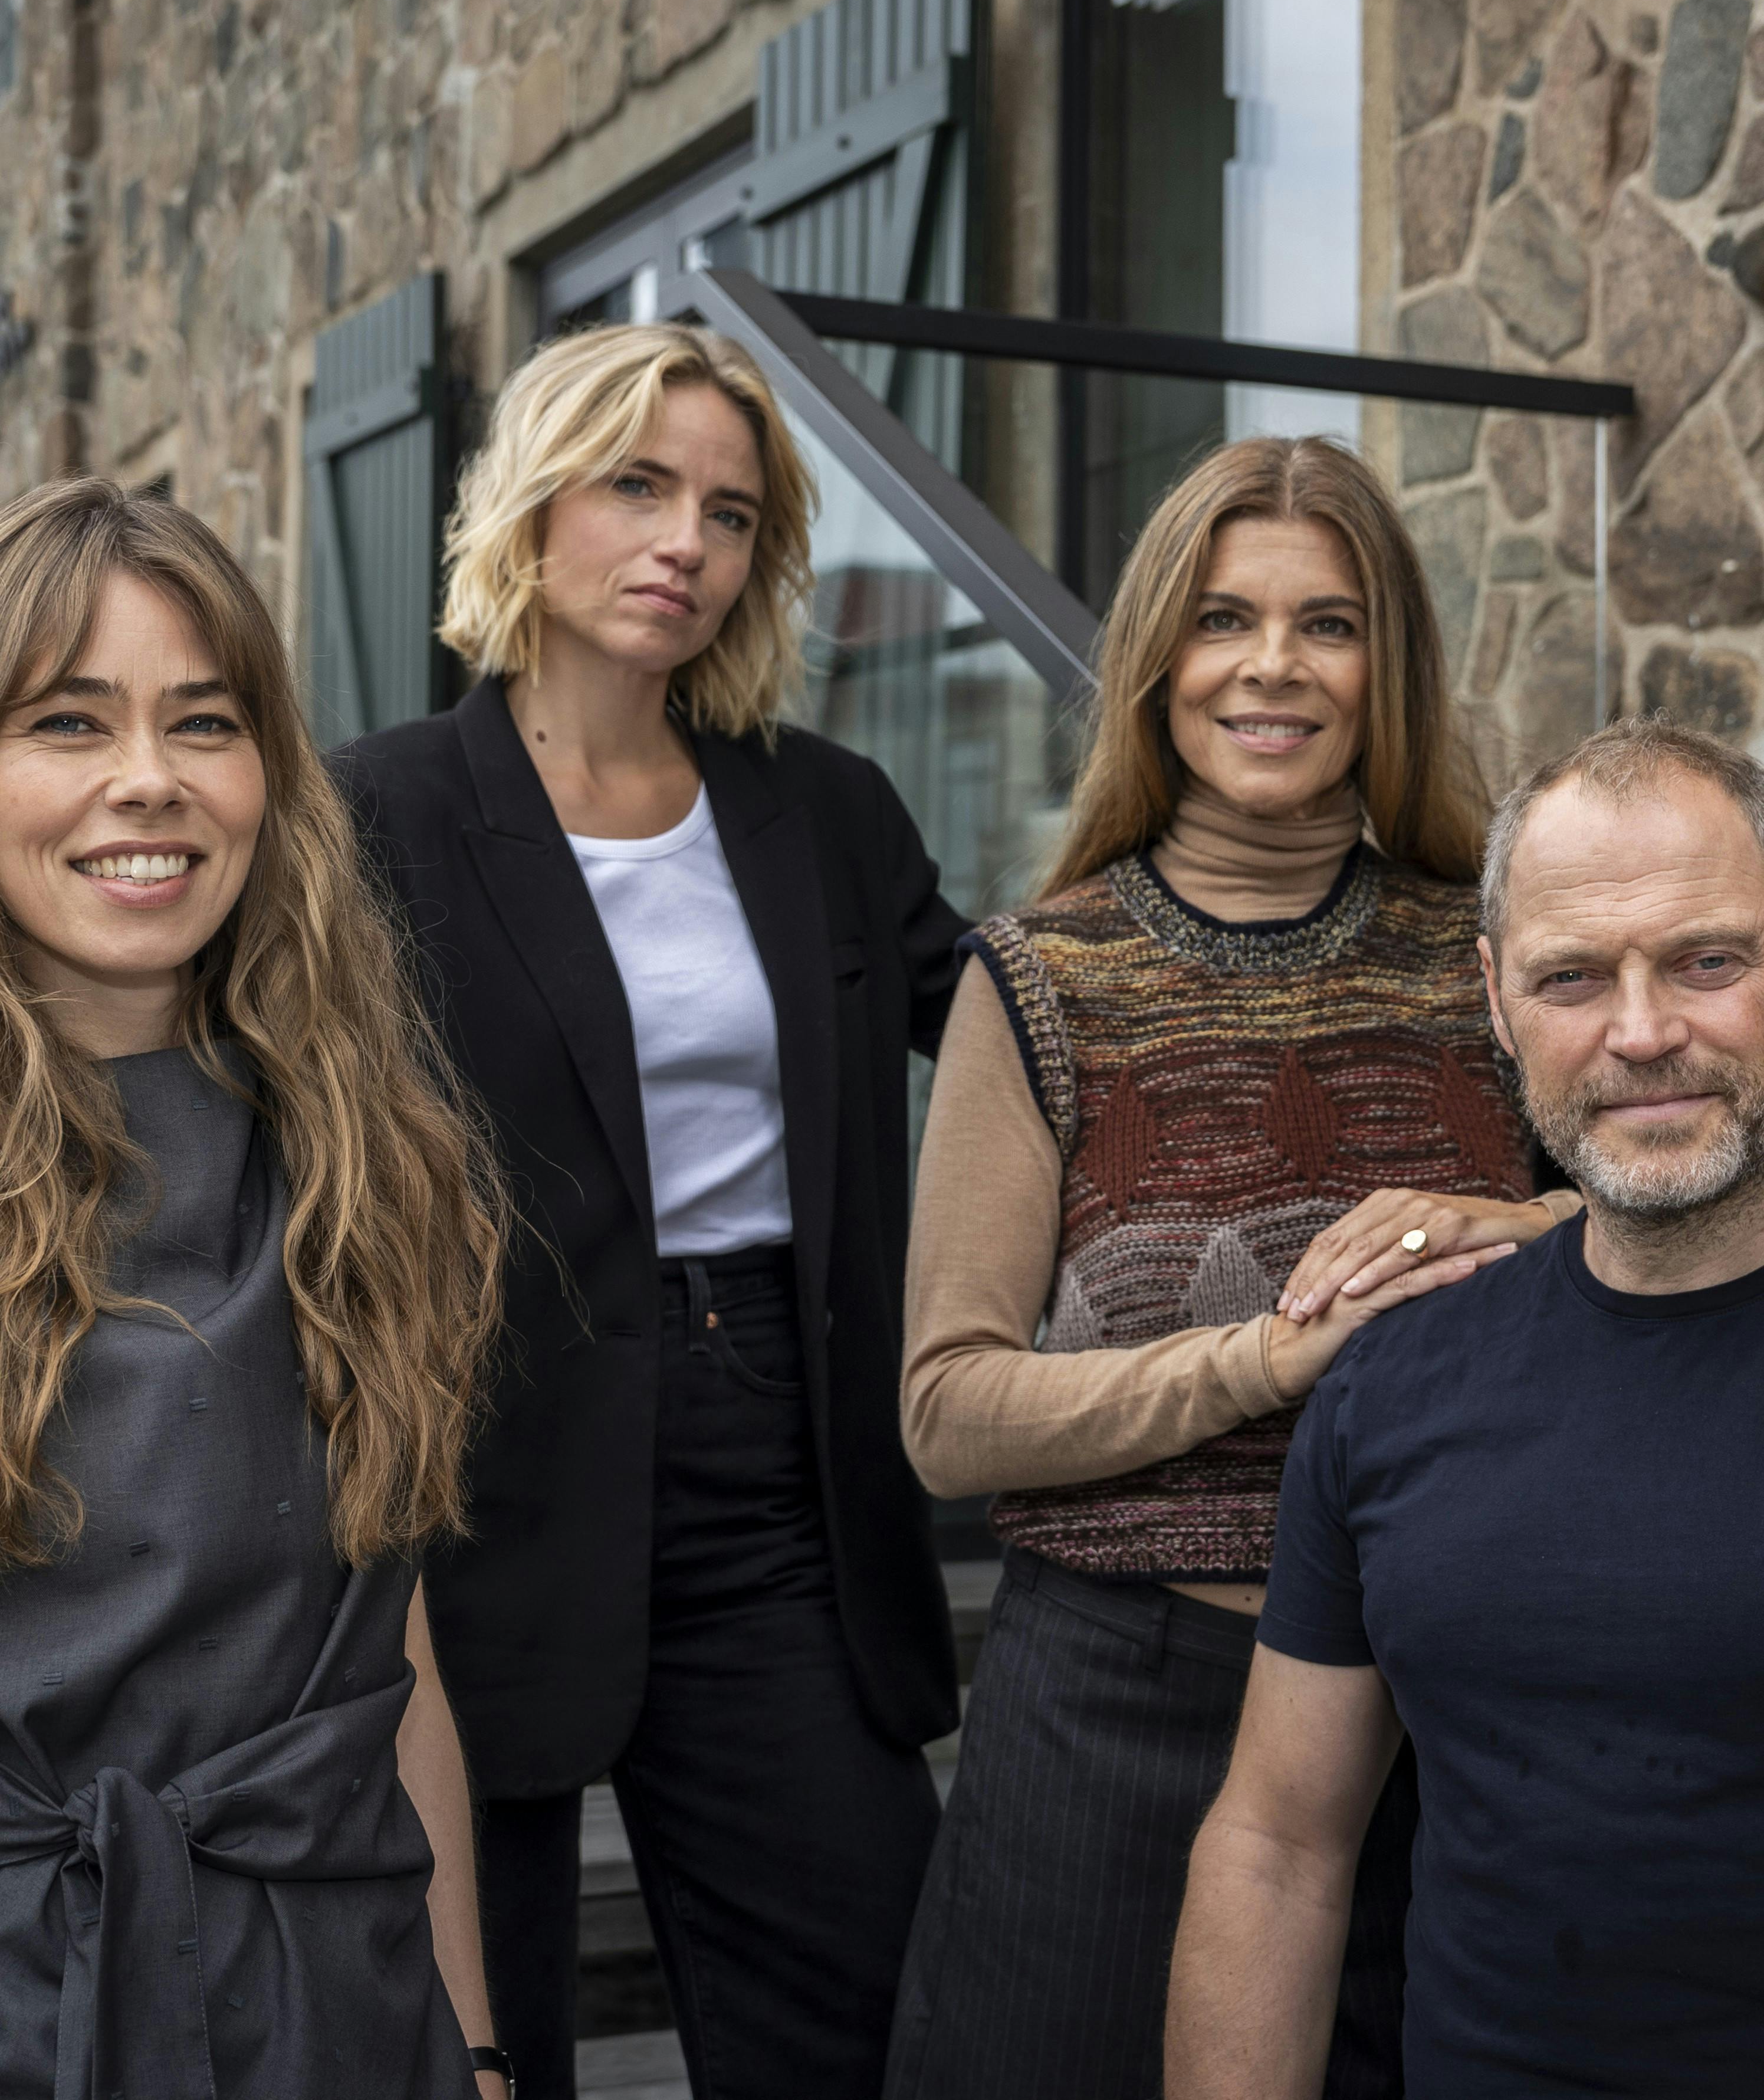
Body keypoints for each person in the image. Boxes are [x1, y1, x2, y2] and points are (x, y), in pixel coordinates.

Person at [885, 437, 1581, 2100]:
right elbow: (948, 1411)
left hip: (1453, 1704)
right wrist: (1261, 1359)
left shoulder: (1497, 952)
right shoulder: (1040, 980)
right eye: (1223, 620)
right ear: (1157, 664)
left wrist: (1525, 1226)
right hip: (1120, 1707)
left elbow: (1695, 1212)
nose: (1272, 666)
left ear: (1385, 667)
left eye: (1327, 624)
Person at [333, 322, 966, 2100]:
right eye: (637, 485)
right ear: (535, 510)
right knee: (474, 2038)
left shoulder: (823, 811)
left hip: (772, 1467)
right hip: (465, 1464)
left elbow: (1013, 1034)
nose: (687, 540)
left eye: (733, 511)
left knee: (860, 2015)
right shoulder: (371, 816)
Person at [0, 478, 513, 2100]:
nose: (147, 782)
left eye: (202, 723)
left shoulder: (374, 1154)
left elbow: (393, 1663)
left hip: (342, 2014)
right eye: (70, 723)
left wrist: (481, 2050)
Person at [1165, 715, 1764, 2099]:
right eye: (1570, 977)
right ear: (1493, 1001)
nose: (1640, 1031)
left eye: (1706, 961)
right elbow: (1275, 1847)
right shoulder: (1392, 1381)